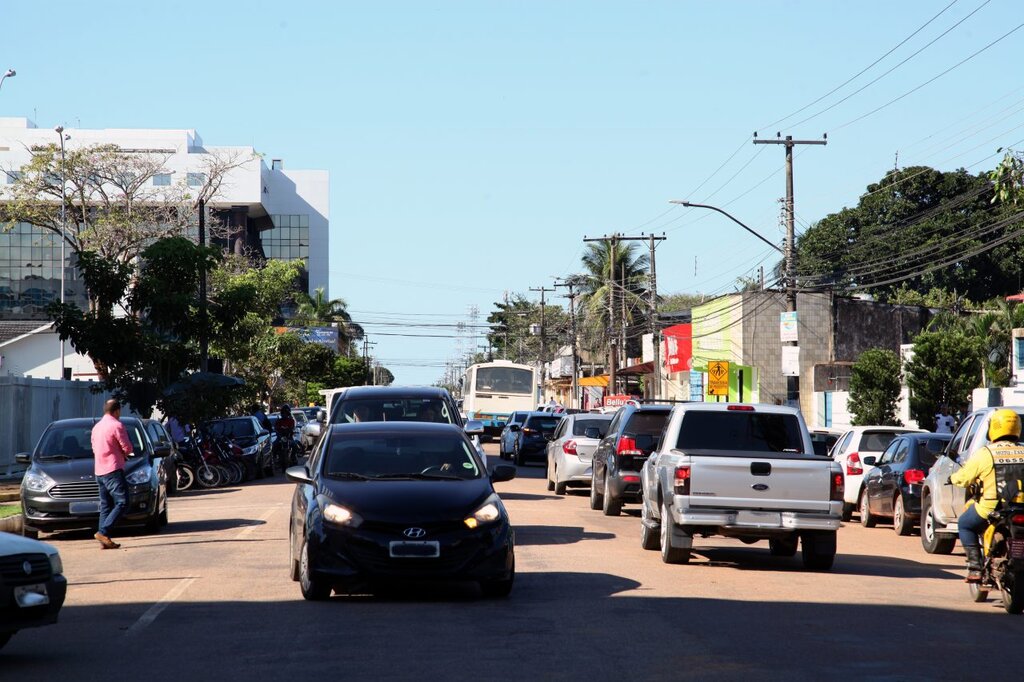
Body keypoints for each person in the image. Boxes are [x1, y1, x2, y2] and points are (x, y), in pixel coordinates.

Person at [950, 409, 1024, 582]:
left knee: (965, 524)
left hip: (993, 509)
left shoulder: (986, 453)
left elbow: (965, 477)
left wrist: (952, 478)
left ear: (994, 428)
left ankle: (975, 568)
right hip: (1021, 507)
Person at [91, 399, 134, 550]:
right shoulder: (117, 425)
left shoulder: (96, 427)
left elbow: (95, 448)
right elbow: (127, 448)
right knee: (123, 502)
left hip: (99, 470)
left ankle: (105, 539)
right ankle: (103, 532)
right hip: (113, 469)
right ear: (117, 411)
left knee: (106, 505)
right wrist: (123, 453)